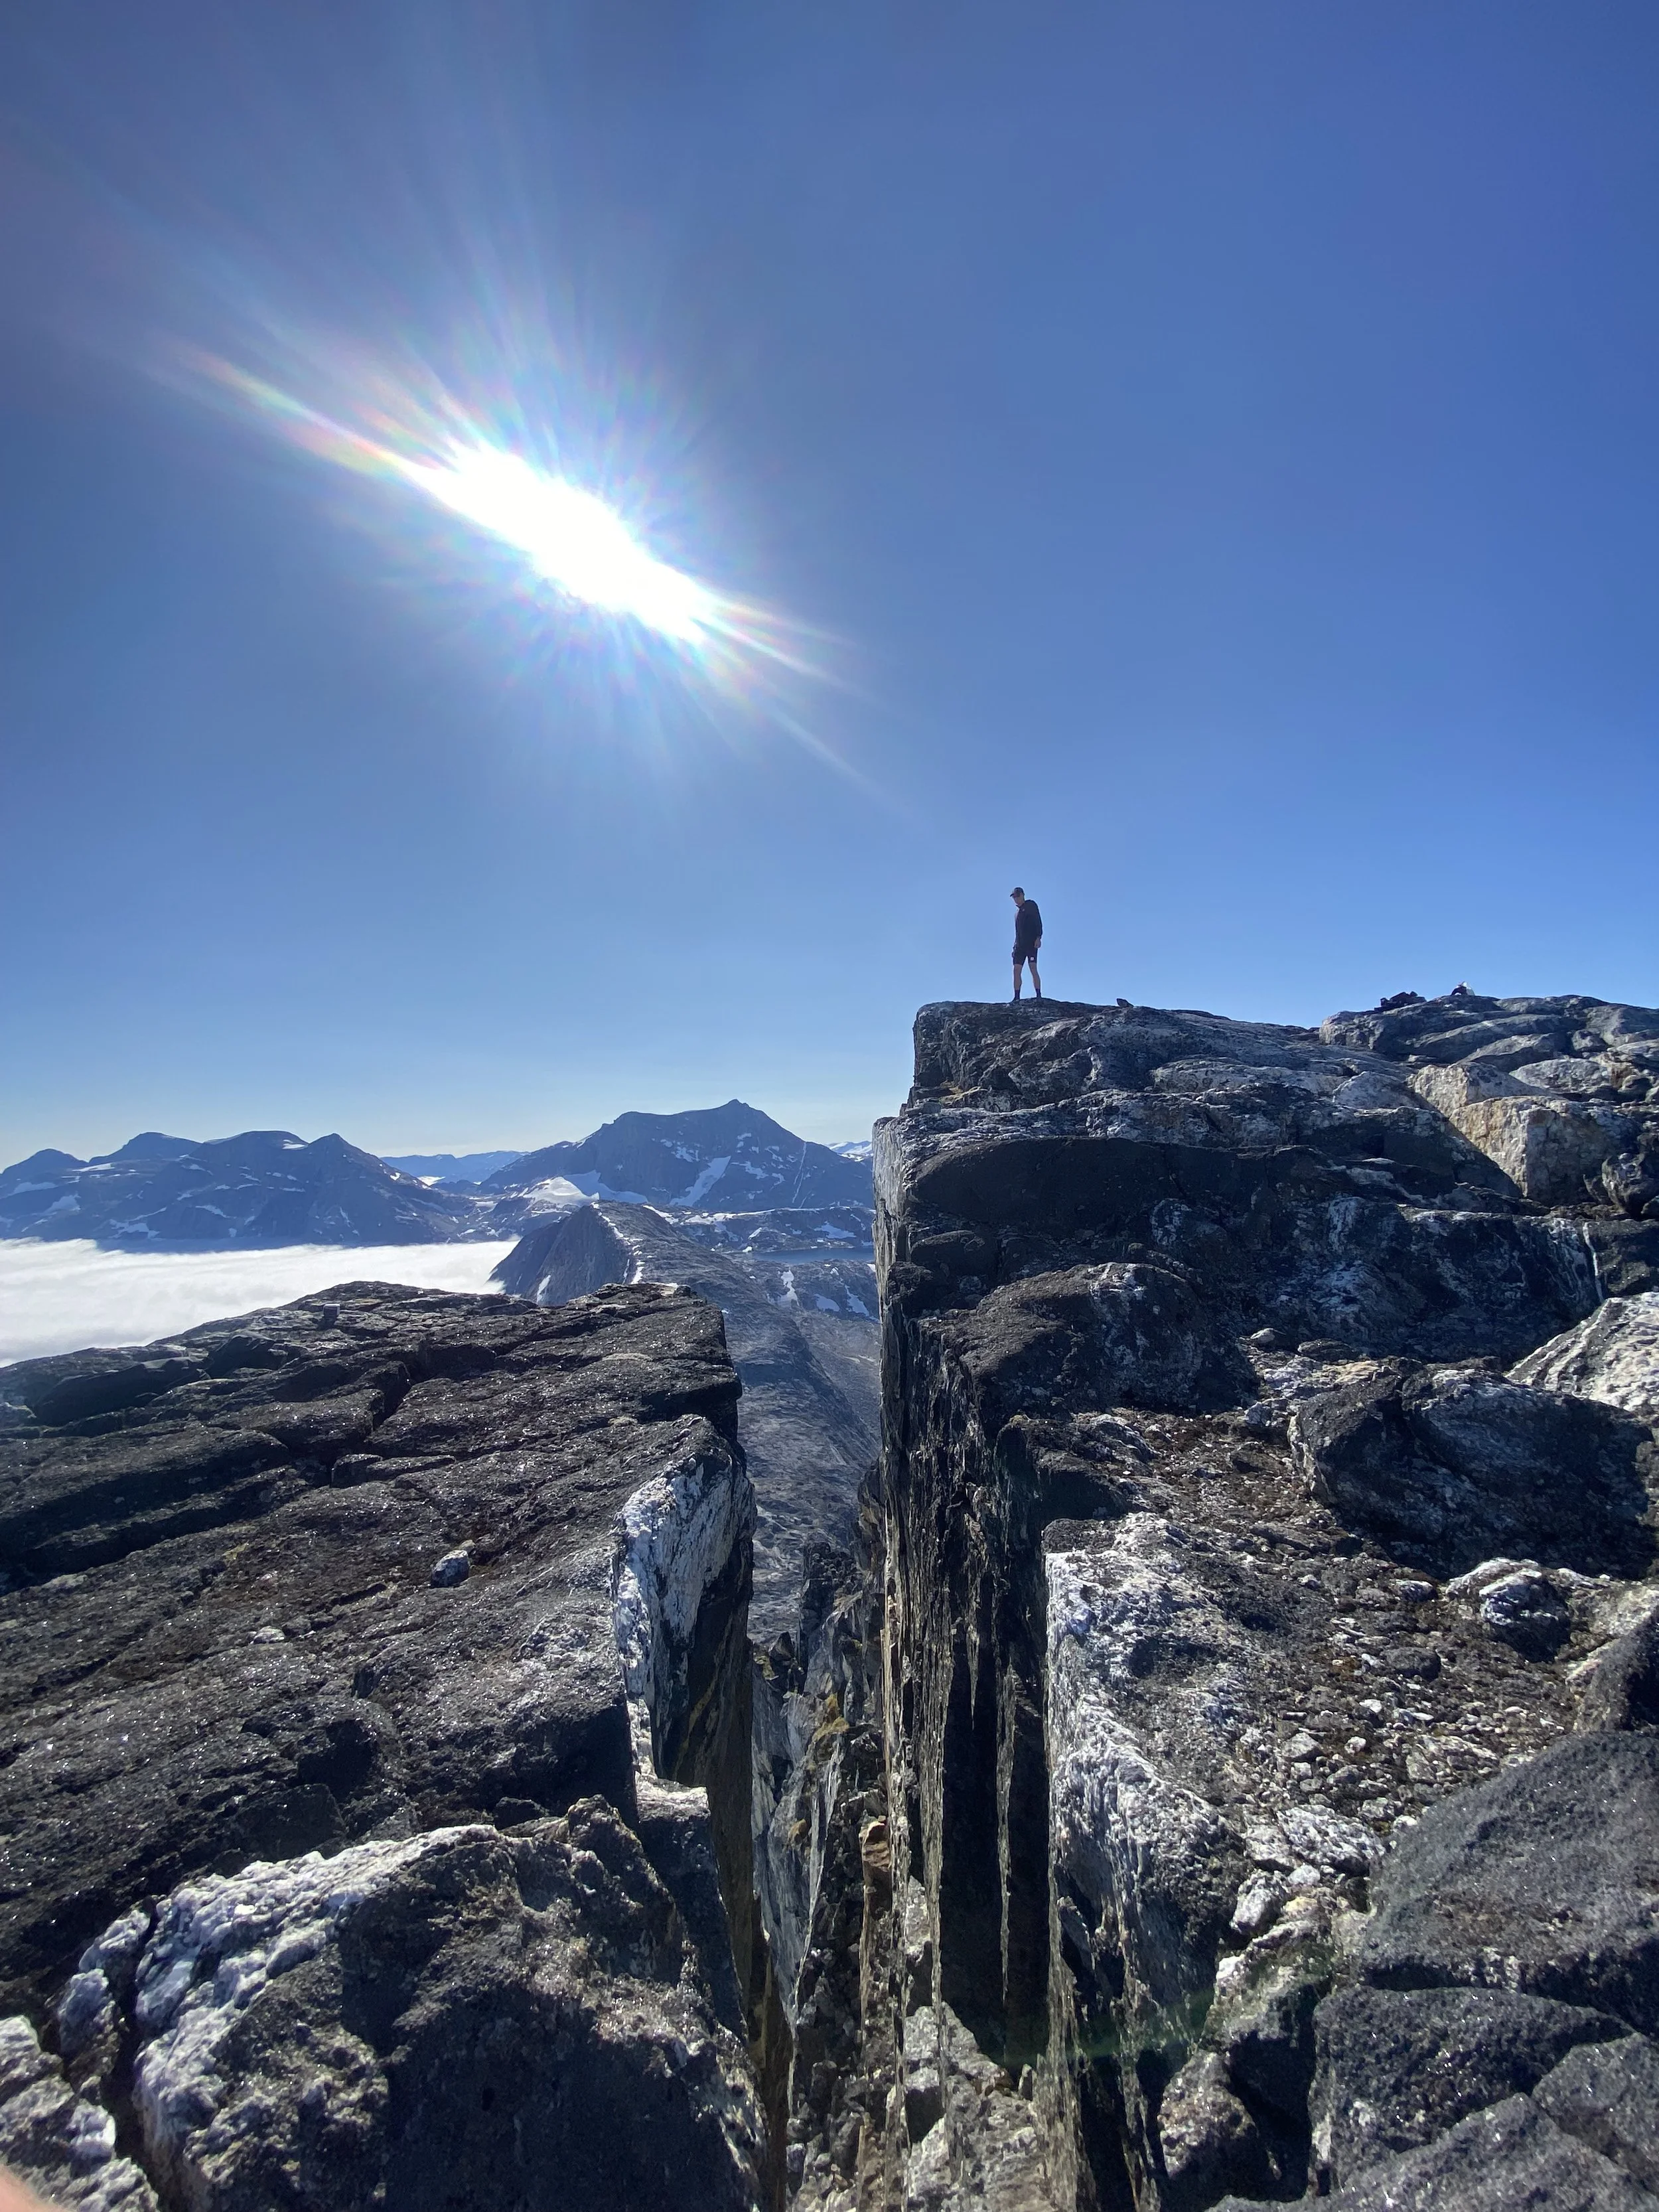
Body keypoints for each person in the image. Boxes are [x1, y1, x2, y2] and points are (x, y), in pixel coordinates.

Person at [1010, 887, 1043, 1001]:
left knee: (1033, 967)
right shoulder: (1017, 913)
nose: (1016, 899)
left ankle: (1038, 995)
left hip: (1031, 943)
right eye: (1014, 897)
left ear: (1023, 895)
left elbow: (1038, 921)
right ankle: (1017, 997)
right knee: (1016, 969)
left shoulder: (1030, 905)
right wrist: (1014, 947)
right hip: (1019, 945)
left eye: (1018, 896)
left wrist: (1039, 937)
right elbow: (1018, 932)